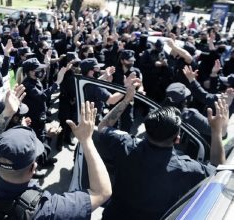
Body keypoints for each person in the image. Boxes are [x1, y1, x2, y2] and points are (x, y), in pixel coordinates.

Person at [0, 84, 112, 219]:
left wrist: (7, 111)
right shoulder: (46, 210)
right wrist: (87, 140)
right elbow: (102, 193)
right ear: (34, 167)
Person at [97, 79, 228, 219]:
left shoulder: (125, 145)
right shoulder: (186, 169)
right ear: (177, 139)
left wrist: (126, 99)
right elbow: (219, 172)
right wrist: (216, 131)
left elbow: (103, 127)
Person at [21, 58, 67, 142]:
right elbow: (43, 96)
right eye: (38, 69)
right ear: (30, 72)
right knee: (38, 138)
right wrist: (57, 82)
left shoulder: (35, 80)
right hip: (34, 118)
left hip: (40, 114)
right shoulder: (27, 84)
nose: (41, 71)